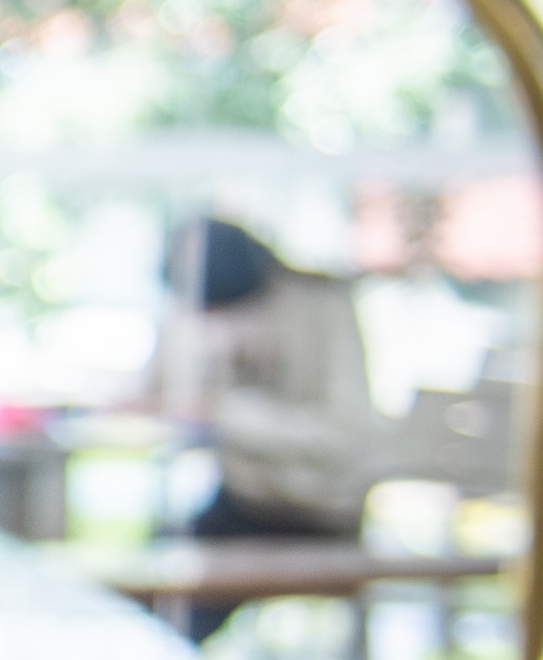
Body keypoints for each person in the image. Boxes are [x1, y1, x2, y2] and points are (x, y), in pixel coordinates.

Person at [152, 212, 376, 633]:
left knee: (179, 601)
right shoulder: (215, 309)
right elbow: (164, 389)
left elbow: (343, 439)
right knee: (157, 579)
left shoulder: (318, 305)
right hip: (243, 500)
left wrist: (225, 414)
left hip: (317, 512)